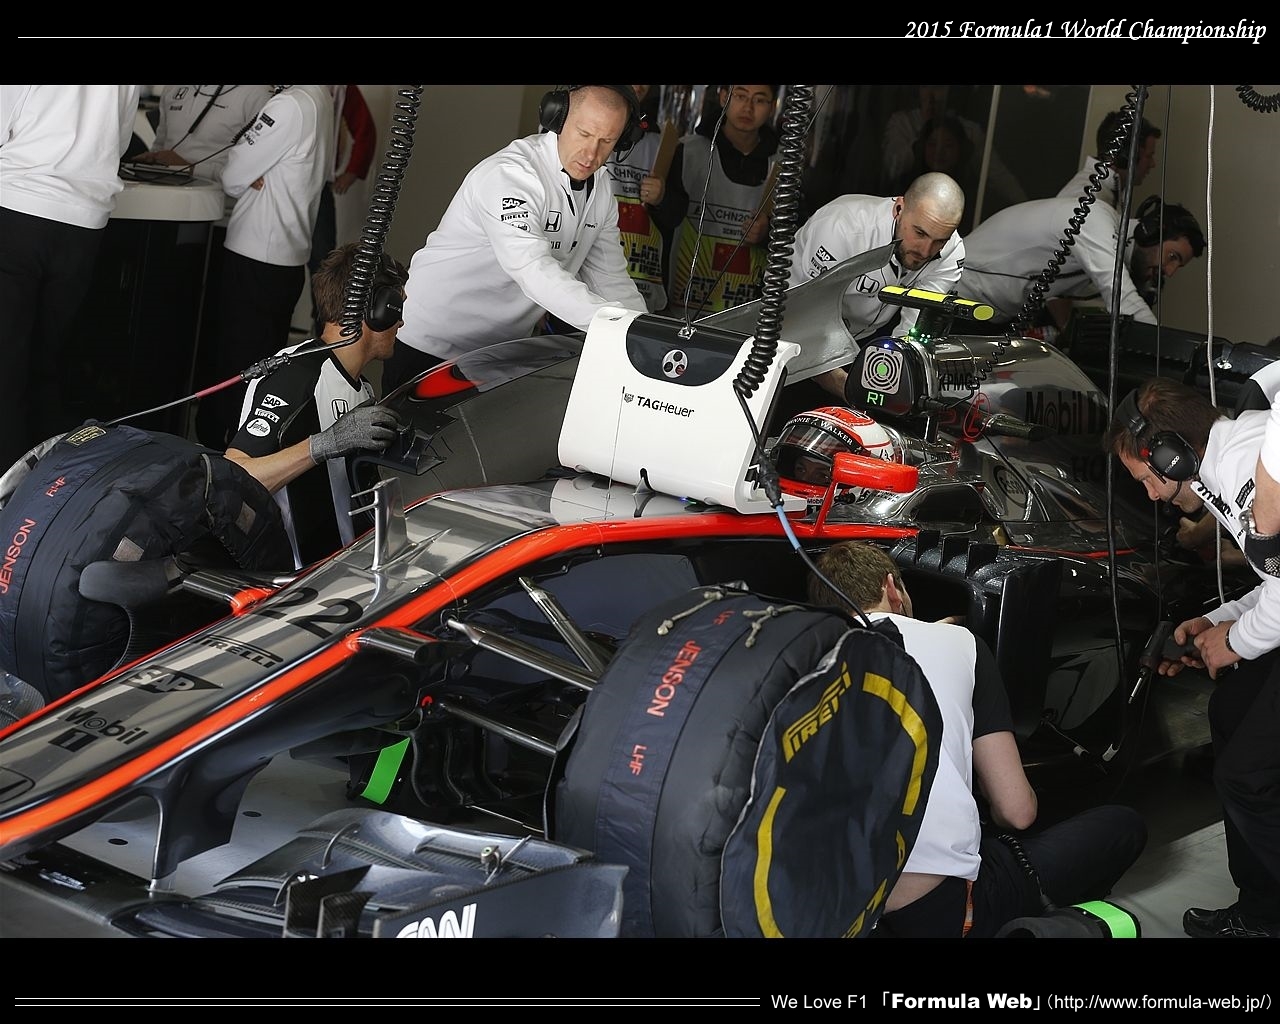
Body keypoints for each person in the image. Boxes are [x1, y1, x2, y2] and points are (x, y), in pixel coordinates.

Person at [806, 540, 1146, 937]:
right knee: (1122, 826)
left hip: (834, 915)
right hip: (937, 914)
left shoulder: (797, 661)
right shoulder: (961, 644)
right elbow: (1017, 812)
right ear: (892, 588)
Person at [1105, 377, 1280, 937]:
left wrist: (1234, 642)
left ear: (1170, 455)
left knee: (1248, 775)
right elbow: (1273, 580)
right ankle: (1261, 910)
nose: (1152, 496)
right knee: (1229, 713)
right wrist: (1219, 622)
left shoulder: (1246, 468)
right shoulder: (1228, 467)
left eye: (1146, 479)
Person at [383, 85, 646, 393]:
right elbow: (534, 272)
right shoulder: (510, 175)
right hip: (430, 340)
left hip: (495, 354)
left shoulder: (601, 191)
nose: (591, 154)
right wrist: (622, 331)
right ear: (558, 118)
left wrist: (651, 334)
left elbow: (611, 279)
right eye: (584, 134)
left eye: (607, 141)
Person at [225, 243, 407, 569]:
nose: (401, 323)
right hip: (297, 580)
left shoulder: (362, 387)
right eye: (398, 308)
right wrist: (325, 444)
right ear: (377, 310)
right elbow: (234, 478)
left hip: (345, 569)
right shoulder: (295, 375)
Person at [0, 84, 142, 470]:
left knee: (7, 365)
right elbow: (120, 139)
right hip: (84, 222)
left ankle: (6, 486)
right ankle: (45, 487)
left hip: (17, 206)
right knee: (49, 363)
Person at [195, 84, 335, 450]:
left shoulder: (288, 105)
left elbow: (232, 176)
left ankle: (220, 455)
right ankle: (243, 450)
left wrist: (245, 168)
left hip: (257, 253)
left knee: (236, 368)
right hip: (283, 256)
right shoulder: (320, 98)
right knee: (259, 370)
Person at [787, 171, 967, 401]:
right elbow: (805, 324)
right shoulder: (842, 227)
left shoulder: (951, 253)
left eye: (940, 240)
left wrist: (887, 384)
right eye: (919, 233)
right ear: (899, 208)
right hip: (788, 333)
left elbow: (911, 332)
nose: (925, 251)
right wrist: (853, 392)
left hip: (860, 340)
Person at [959, 194, 1206, 335]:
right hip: (959, 297)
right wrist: (1166, 354)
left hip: (988, 318)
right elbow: (1122, 299)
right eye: (1173, 257)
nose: (1169, 272)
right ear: (1152, 232)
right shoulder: (1093, 219)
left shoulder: (1110, 251)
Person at [650, 83, 779, 319]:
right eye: (740, 96)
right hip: (680, 309)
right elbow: (664, 223)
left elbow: (797, 236)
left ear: (772, 108)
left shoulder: (783, 166)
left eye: (759, 100)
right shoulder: (687, 152)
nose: (748, 107)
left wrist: (767, 232)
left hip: (747, 315)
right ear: (723, 97)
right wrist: (660, 199)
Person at [880, 85, 1026, 212]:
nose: (931, 94)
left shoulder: (969, 130)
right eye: (925, 86)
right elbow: (893, 167)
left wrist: (1024, 206)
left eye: (938, 87)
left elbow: (997, 175)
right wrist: (924, 134)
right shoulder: (902, 123)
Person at [308, 85, 378, 334]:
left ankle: (323, 334)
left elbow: (365, 129)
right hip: (282, 185)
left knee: (323, 267)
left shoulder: (341, 88)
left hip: (319, 187)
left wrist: (353, 171)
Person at [131, 85, 273, 189]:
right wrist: (151, 159)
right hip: (162, 192)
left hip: (217, 206)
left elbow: (254, 175)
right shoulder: (172, 88)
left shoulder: (259, 93)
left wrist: (189, 168)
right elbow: (159, 145)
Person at [605, 84, 669, 312]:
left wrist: (661, 199)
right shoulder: (569, 125)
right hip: (572, 281)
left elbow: (677, 217)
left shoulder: (662, 140)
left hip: (638, 280)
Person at [1057, 110, 1161, 208]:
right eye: (1148, 156)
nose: (1153, 164)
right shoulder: (1084, 196)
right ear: (1125, 156)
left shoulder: (1110, 190)